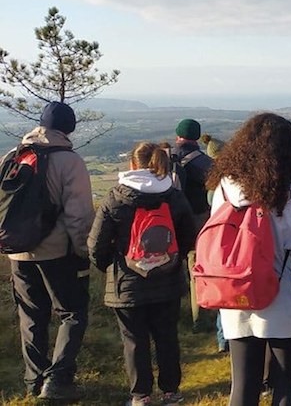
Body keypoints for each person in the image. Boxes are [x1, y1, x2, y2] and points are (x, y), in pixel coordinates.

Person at [207, 113, 291, 406]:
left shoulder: (224, 189)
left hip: (236, 293)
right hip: (284, 298)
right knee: (286, 387)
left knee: (243, 385)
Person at [87, 142, 196, 406]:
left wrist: (111, 268)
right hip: (168, 279)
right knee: (167, 336)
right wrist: (170, 260)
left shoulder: (116, 196)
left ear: (133, 165)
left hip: (127, 281)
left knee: (134, 340)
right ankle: (171, 392)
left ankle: (141, 395)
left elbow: (96, 245)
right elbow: (188, 237)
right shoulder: (174, 195)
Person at [7, 101, 94, 400]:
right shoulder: (69, 162)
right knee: (72, 313)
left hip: (17, 252)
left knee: (31, 316)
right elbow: (79, 215)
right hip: (57, 253)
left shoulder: (14, 156)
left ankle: (33, 380)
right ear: (68, 128)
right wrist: (84, 252)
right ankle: (57, 381)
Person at [171, 118, 215, 333]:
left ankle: (170, 318)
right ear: (197, 137)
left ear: (177, 134)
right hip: (197, 220)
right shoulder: (205, 163)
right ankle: (201, 320)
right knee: (197, 268)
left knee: (168, 267)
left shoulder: (165, 159)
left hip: (168, 220)